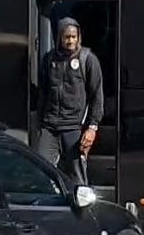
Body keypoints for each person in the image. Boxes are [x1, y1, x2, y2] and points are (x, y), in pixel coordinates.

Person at [36, 17, 104, 184]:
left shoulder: (88, 59)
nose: (71, 41)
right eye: (67, 37)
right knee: (41, 173)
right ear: (60, 37)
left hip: (74, 127)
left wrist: (92, 127)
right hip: (49, 127)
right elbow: (43, 92)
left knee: (77, 176)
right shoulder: (49, 59)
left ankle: (81, 200)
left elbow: (97, 95)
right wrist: (39, 122)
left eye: (74, 37)